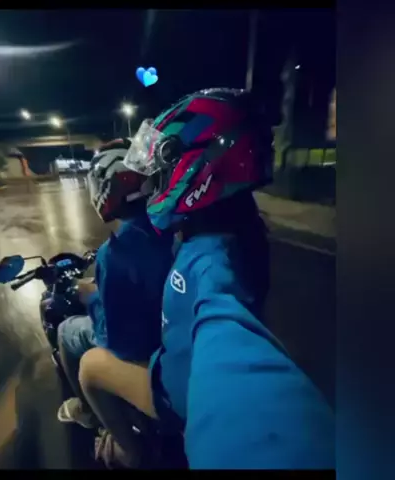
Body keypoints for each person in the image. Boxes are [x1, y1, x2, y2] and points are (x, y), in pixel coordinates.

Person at [78, 88, 335, 469]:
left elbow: (228, 340)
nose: (155, 179)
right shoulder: (229, 230)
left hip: (174, 391)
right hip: (178, 363)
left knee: (89, 366)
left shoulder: (210, 261)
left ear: (198, 164)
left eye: (164, 165)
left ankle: (129, 451)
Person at [56, 138, 174, 429]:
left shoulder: (114, 253)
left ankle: (87, 409)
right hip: (167, 335)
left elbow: (114, 337)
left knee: (66, 330)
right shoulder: (169, 227)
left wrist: (90, 298)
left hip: (141, 348)